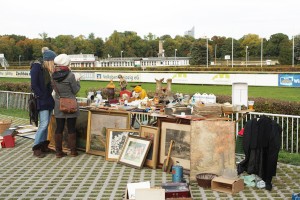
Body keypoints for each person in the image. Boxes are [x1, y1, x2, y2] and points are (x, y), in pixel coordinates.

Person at [52, 54, 81, 158]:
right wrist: (78, 81)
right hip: (71, 104)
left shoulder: (53, 75)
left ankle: (58, 152)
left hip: (59, 103)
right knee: (71, 128)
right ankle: (73, 151)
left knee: (59, 128)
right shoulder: (70, 75)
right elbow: (75, 90)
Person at [30, 52, 56, 158]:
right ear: (49, 60)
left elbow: (48, 85)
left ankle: (43, 146)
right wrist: (41, 96)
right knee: (43, 124)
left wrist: (49, 92)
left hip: (48, 100)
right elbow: (34, 85)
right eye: (53, 62)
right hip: (42, 100)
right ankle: (36, 147)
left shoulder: (45, 69)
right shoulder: (36, 67)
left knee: (46, 124)